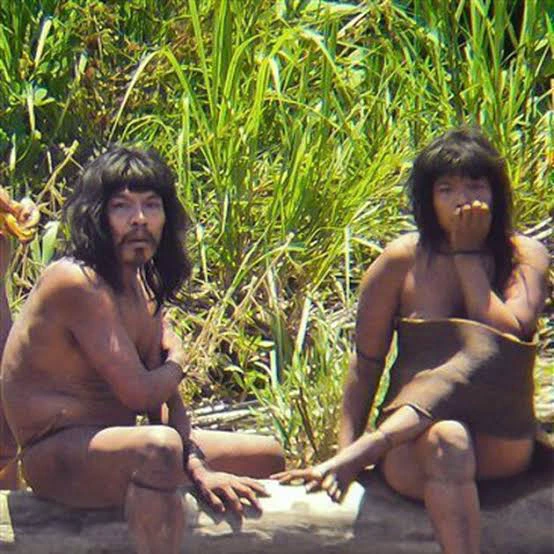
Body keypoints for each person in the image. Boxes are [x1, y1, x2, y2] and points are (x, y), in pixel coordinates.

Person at [273, 127, 549, 554]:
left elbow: (507, 335)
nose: (463, 200)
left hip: (501, 440)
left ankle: (376, 445)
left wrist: (467, 256)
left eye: (476, 186)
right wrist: (347, 453)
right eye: (447, 189)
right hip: (416, 447)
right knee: (449, 439)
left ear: (496, 193)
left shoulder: (524, 255)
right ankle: (372, 451)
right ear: (428, 200)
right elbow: (366, 363)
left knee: (486, 351)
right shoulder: (402, 260)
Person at [1, 147, 284, 553]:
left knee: (266, 456)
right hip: (55, 455)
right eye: (122, 207)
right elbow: (139, 393)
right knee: (158, 448)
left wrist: (198, 466)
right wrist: (180, 360)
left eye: (151, 205)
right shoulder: (75, 281)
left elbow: (165, 403)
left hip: (120, 444)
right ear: (97, 216)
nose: (139, 219)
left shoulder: (142, 284)